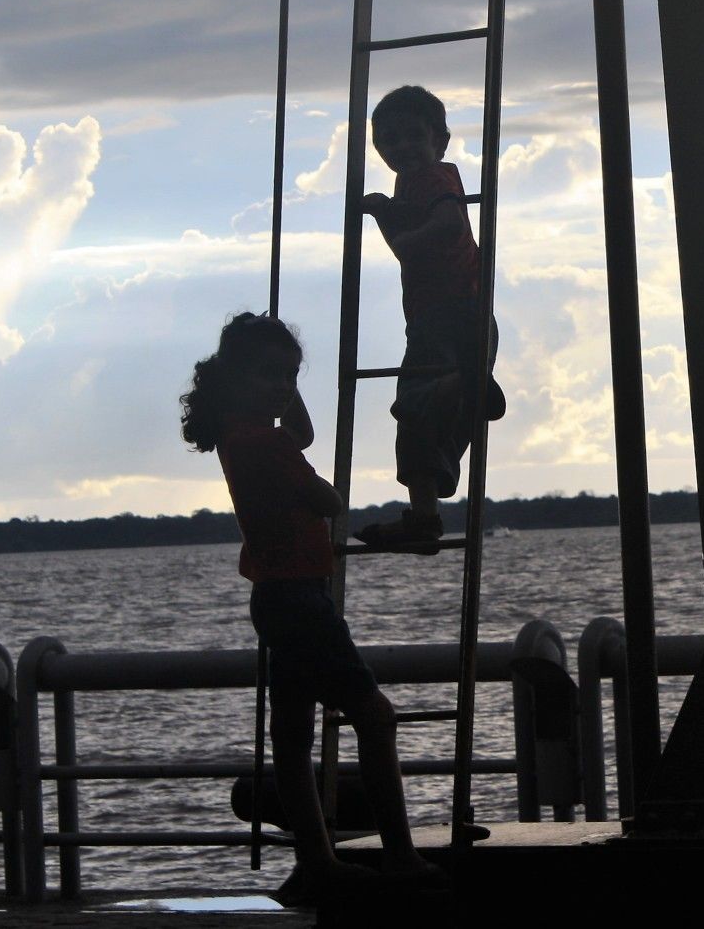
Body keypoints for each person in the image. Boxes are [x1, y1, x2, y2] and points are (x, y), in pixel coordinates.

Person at [180, 312, 441, 900]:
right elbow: (329, 498)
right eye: (269, 375)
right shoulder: (265, 443)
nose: (281, 386)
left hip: (275, 597)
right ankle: (399, 856)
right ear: (236, 377)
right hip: (301, 598)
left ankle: (317, 859)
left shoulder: (234, 431)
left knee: (294, 737)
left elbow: (301, 436)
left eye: (289, 376)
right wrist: (290, 414)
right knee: (374, 717)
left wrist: (284, 394)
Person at [357, 85, 504, 553]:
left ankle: (424, 517)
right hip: (464, 317)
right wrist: (385, 211)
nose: (401, 148)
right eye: (389, 141)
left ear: (439, 140)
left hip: (445, 318)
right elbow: (410, 239)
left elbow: (449, 225)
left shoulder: (435, 179)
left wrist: (399, 231)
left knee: (414, 408)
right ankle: (464, 387)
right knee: (434, 419)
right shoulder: (414, 185)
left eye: (412, 137)